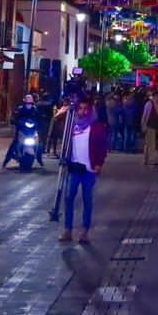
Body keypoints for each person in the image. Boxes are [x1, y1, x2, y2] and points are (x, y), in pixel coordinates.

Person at [60, 97, 109, 245]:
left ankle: (85, 231)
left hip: (89, 170)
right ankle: (67, 229)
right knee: (69, 198)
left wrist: (99, 163)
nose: (82, 112)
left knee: (87, 200)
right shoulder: (71, 125)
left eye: (85, 109)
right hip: (74, 168)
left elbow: (102, 146)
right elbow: (57, 122)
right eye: (79, 109)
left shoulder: (96, 127)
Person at [4, 93, 45, 168]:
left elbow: (40, 119)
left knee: (39, 144)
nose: (29, 101)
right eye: (27, 99)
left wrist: (40, 124)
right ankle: (7, 160)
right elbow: (14, 117)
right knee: (14, 143)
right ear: (25, 100)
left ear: (32, 101)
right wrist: (14, 121)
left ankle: (39, 159)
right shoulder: (20, 109)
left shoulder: (35, 110)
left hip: (32, 131)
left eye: (30, 99)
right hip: (22, 130)